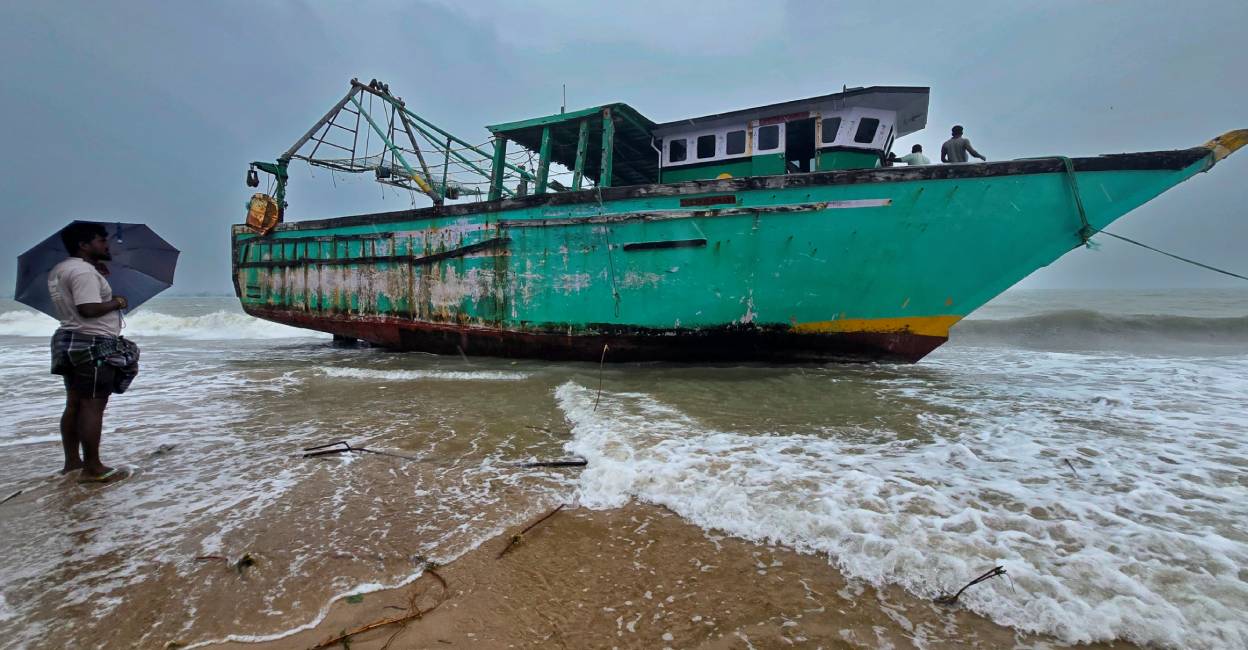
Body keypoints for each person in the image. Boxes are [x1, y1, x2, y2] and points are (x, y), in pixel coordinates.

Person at [48, 223, 137, 481]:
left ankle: (73, 463)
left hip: (70, 339)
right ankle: (93, 468)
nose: (106, 245)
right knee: (93, 404)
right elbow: (88, 308)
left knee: (74, 403)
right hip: (92, 343)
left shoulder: (60, 270)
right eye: (101, 240)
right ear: (84, 245)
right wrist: (117, 302)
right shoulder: (83, 272)